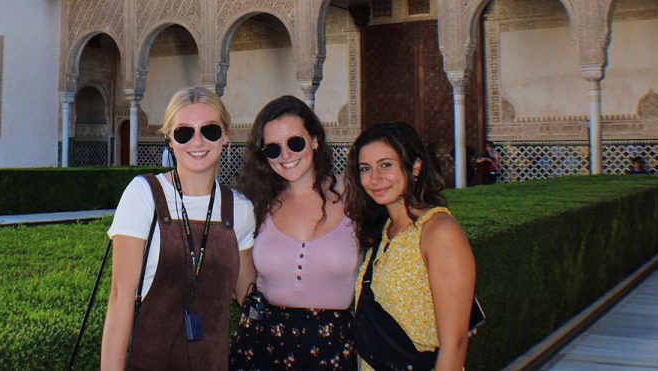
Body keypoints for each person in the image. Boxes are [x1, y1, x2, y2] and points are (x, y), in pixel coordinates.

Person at [101, 87, 256, 371]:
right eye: (184, 132)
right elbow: (121, 295)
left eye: (209, 130)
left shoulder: (240, 209)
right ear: (170, 140)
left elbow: (249, 294)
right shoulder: (145, 195)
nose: (197, 141)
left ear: (225, 136)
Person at [231, 95, 359, 369]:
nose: (286, 155)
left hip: (333, 348)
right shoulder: (255, 203)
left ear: (314, 140)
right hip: (262, 347)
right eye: (273, 149)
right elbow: (240, 278)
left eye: (295, 142)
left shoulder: (355, 196)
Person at [346, 122, 476, 371]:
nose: (375, 178)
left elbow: (455, 343)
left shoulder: (438, 232)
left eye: (386, 165)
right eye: (365, 168)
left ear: (415, 166)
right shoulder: (383, 231)